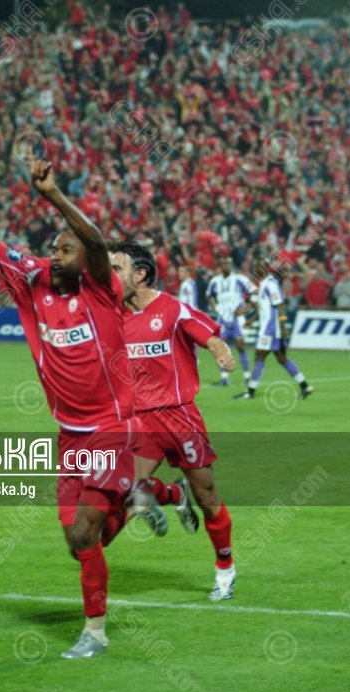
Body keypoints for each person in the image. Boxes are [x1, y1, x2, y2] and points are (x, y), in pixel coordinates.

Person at [0, 153, 164, 659]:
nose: (59, 254)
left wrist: (53, 195)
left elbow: (96, 240)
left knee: (86, 530)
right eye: (56, 248)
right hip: (69, 435)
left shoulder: (103, 288)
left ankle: (95, 633)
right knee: (78, 543)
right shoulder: (32, 280)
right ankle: (138, 497)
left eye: (68, 248)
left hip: (113, 426)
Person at [110, 241, 238, 601]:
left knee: (207, 496)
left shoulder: (172, 309)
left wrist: (221, 352)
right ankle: (170, 493)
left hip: (180, 417)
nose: (109, 275)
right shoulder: (112, 316)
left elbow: (210, 337)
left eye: (116, 269)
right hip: (141, 421)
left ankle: (225, 566)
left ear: (140, 274)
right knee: (125, 490)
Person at [235, 260, 314, 400]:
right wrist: (252, 320)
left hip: (270, 329)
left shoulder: (271, 284)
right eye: (255, 267)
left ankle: (250, 392)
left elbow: (280, 305)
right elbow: (263, 308)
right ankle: (305, 386)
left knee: (259, 356)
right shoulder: (263, 284)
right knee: (282, 358)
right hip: (271, 329)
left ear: (265, 268)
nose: (256, 270)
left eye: (258, 267)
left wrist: (283, 327)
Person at [206, 257, 256, 387]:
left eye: (228, 264)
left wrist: (245, 308)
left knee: (240, 346)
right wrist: (215, 307)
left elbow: (254, 292)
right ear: (220, 266)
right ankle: (224, 378)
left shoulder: (240, 279)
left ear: (231, 265)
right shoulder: (215, 281)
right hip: (222, 318)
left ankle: (247, 376)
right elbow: (209, 296)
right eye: (224, 264)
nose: (226, 266)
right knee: (219, 347)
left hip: (236, 318)